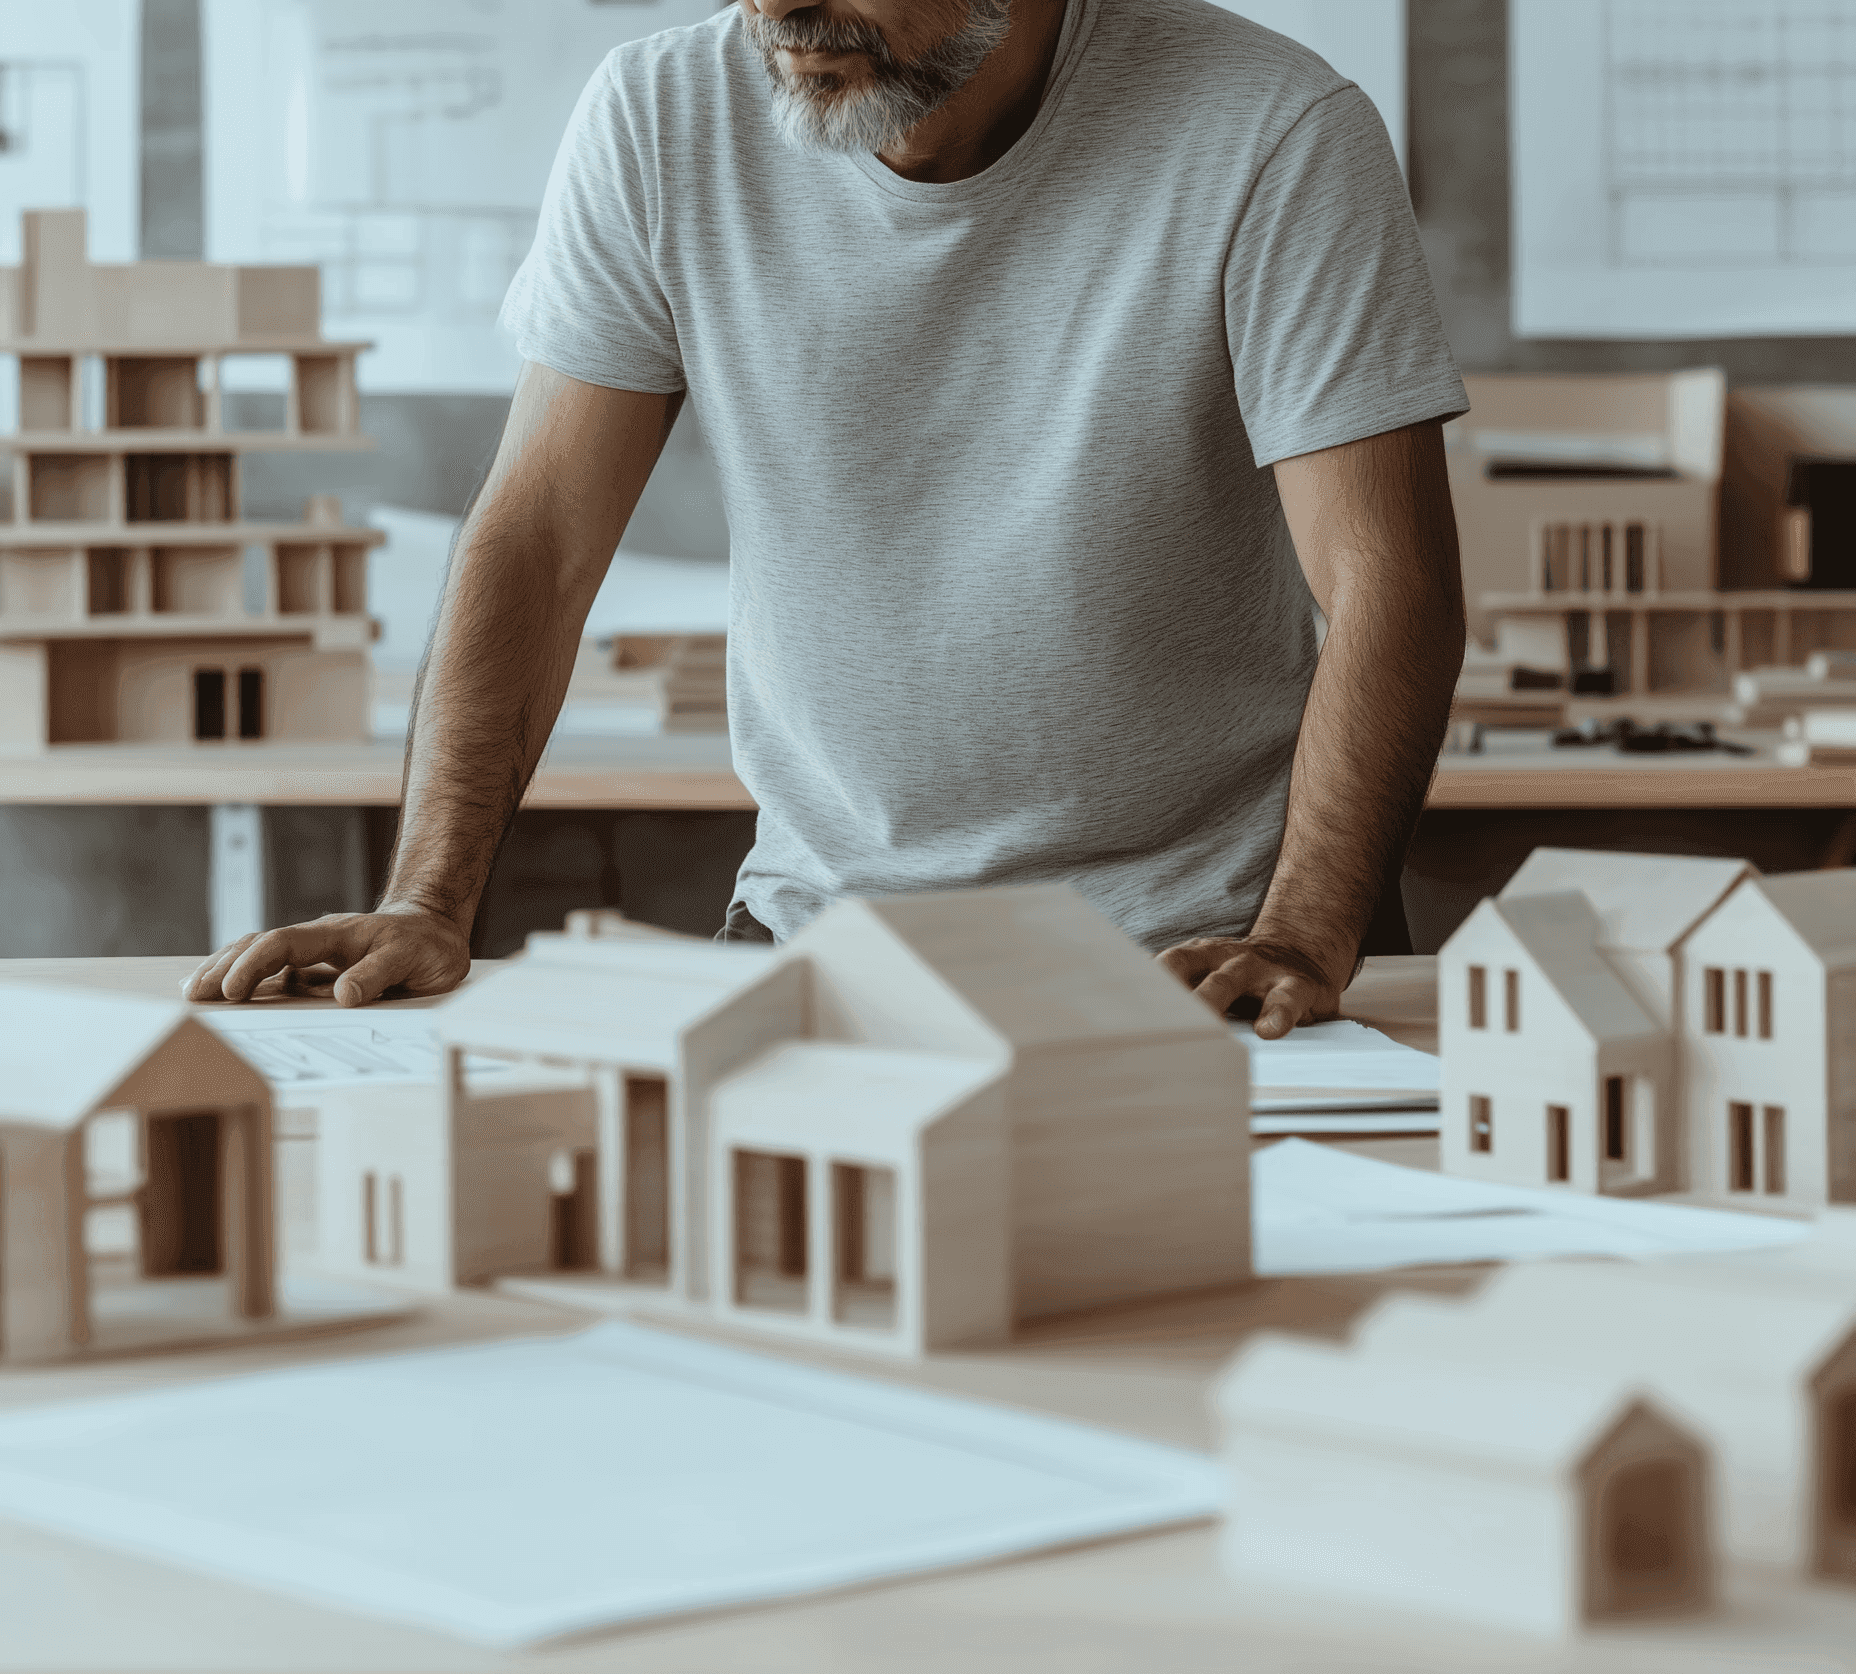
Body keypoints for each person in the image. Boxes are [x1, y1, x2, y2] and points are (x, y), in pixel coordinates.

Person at [186, 0, 1467, 1040]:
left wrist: (1303, 933)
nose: (778, 7)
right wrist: (427, 900)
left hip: (1206, 959)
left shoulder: (1269, 129)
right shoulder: (660, 115)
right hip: (818, 941)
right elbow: (536, 544)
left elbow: (1384, 584)